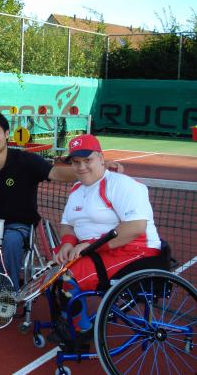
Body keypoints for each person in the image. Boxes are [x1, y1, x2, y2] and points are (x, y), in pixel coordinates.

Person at [0, 111, 122, 291]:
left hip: (21, 225)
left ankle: (8, 290)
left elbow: (57, 172)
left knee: (11, 241)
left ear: (6, 134)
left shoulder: (26, 161)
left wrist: (96, 169)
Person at [52, 133, 161, 335]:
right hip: (97, 249)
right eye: (76, 162)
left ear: (101, 159)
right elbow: (67, 224)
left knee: (67, 275)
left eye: (87, 160)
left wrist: (90, 245)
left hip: (134, 250)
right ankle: (71, 316)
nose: (81, 167)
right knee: (55, 269)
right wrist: (67, 243)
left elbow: (136, 227)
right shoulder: (76, 189)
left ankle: (80, 331)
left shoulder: (123, 185)